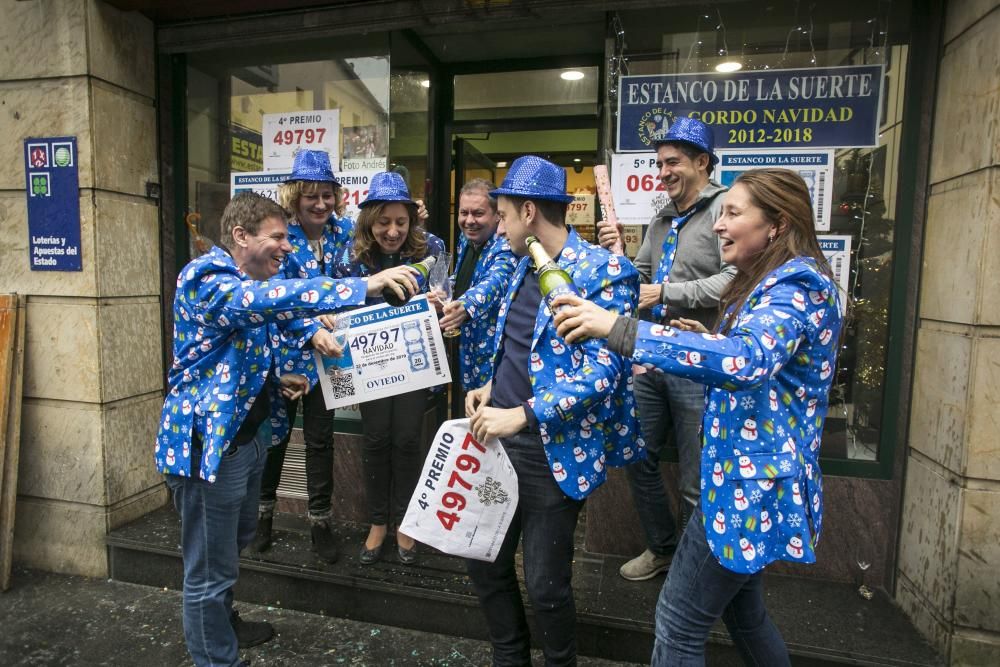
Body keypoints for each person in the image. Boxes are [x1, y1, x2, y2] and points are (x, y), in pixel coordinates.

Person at [554, 168, 844, 665]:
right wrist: (706, 339)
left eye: (733, 213)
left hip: (745, 490)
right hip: (745, 483)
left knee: (678, 623)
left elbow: (747, 360)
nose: (718, 225)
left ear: (776, 223)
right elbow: (760, 360)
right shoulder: (773, 280)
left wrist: (619, 329)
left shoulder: (799, 285)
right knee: (744, 615)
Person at [156, 192, 417, 667]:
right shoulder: (207, 277)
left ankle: (223, 624)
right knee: (207, 572)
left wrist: (279, 376)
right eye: (276, 237)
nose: (285, 247)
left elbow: (239, 346)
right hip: (207, 450)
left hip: (246, 442)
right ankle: (217, 658)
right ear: (240, 236)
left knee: (230, 551)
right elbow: (260, 303)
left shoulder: (248, 280)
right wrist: (364, 286)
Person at [465, 155, 644, 666]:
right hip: (496, 437)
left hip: (551, 450)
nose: (498, 225)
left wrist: (520, 414)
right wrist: (488, 385)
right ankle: (509, 657)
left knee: (546, 584)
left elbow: (602, 376)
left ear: (526, 212)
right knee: (485, 564)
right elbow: (518, 345)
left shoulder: (607, 272)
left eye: (501, 215)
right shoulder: (521, 263)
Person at [598, 115, 736, 581]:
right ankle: (661, 549)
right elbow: (637, 281)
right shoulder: (661, 219)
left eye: (673, 162)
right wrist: (617, 256)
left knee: (698, 480)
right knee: (637, 456)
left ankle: (697, 575)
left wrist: (669, 293)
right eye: (659, 164)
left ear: (702, 162)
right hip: (652, 359)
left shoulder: (724, 211)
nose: (663, 172)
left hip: (699, 363)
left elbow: (734, 280)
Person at [250, 150, 358, 562]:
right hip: (285, 357)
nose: (320, 204)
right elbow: (273, 300)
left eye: (327, 195)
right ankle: (263, 518)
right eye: (311, 195)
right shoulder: (281, 238)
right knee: (275, 440)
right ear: (295, 196)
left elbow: (364, 274)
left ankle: (320, 523)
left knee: (320, 440)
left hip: (331, 356)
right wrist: (311, 327)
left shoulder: (345, 232)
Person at [335, 171, 445, 565]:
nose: (393, 231)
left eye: (401, 221)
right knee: (376, 439)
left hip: (415, 364)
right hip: (371, 364)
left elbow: (445, 299)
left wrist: (438, 304)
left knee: (407, 441)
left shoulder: (432, 246)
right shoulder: (350, 255)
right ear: (369, 221)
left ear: (412, 219)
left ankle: (407, 522)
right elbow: (339, 307)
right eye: (384, 222)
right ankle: (378, 522)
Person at [437, 178, 517, 400]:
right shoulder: (466, 239)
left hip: (492, 361)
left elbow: (497, 280)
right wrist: (446, 289)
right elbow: (467, 277)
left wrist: (466, 305)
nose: (469, 221)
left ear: (496, 215)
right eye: (464, 213)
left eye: (478, 213)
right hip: (467, 350)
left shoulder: (506, 245)